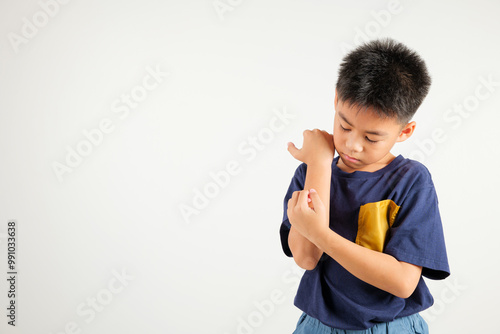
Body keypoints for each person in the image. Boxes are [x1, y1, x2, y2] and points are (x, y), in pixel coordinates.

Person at [279, 38, 450, 333]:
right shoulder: (311, 171)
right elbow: (306, 257)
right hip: (318, 326)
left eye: (371, 138)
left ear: (405, 131)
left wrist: (322, 234)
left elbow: (402, 282)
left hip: (390, 326)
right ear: (336, 100)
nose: (352, 145)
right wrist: (319, 164)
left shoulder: (411, 181)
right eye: (344, 126)